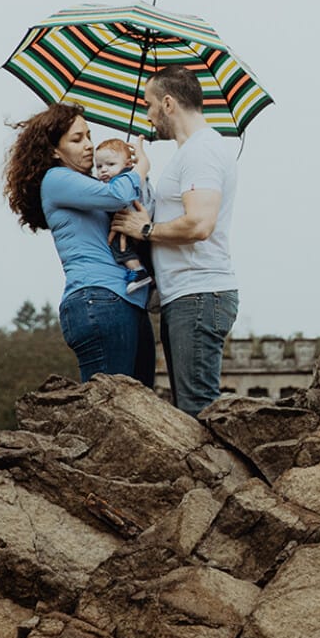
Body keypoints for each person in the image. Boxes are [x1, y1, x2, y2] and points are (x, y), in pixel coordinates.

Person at [111, 66, 238, 415]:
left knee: (198, 412)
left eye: (149, 104)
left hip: (197, 294)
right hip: (186, 296)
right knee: (189, 408)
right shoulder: (190, 153)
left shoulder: (202, 151)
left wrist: (145, 230)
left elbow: (199, 224)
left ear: (168, 104)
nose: (148, 114)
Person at [4, 101, 155, 385]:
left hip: (128, 301)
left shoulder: (94, 187)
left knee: (140, 411)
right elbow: (117, 197)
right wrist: (138, 171)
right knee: (113, 409)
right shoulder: (56, 179)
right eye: (77, 139)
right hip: (98, 299)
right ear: (53, 150)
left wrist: (123, 173)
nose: (88, 145)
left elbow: (127, 206)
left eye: (88, 136)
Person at [93, 140, 154, 293]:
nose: (104, 170)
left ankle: (137, 272)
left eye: (111, 164)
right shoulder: (139, 177)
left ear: (127, 164)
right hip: (146, 220)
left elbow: (116, 199)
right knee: (145, 254)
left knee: (117, 244)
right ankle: (152, 283)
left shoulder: (123, 180)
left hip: (130, 222)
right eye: (99, 166)